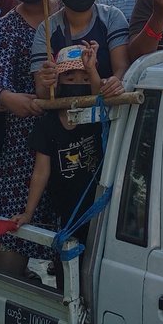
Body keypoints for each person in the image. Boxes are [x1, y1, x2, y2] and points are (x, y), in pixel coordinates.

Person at [0, 0, 57, 278]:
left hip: (72, 136)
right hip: (23, 142)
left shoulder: (72, 14)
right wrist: (9, 97)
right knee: (12, 228)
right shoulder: (6, 27)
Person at [16, 43, 106, 265]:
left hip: (98, 205)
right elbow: (40, 172)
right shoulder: (47, 124)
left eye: (85, 78)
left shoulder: (94, 117)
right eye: (70, 78)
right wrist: (28, 212)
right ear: (58, 82)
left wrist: (92, 69)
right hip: (64, 209)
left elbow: (99, 95)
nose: (79, 84)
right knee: (66, 262)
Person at [30, 0, 129, 95]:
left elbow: (122, 68)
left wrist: (115, 83)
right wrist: (48, 82)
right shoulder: (46, 29)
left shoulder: (112, 17)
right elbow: (42, 93)